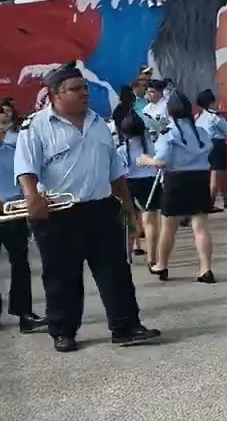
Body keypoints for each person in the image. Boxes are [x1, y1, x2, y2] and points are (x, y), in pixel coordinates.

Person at [14, 63, 160, 353]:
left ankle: (125, 326)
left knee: (115, 272)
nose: (84, 93)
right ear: (55, 94)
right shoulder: (36, 126)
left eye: (85, 88)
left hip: (102, 210)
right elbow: (26, 167)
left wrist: (130, 211)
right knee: (61, 276)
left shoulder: (100, 124)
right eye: (76, 89)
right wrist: (32, 197)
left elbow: (115, 171)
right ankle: (63, 331)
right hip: (58, 213)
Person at [135, 93, 216, 283]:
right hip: (200, 178)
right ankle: (206, 269)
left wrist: (145, 160)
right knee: (201, 226)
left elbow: (161, 161)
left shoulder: (169, 132)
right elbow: (210, 148)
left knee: (169, 227)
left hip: (176, 180)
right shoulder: (201, 131)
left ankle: (162, 264)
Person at [0, 106, 45, 333]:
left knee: (20, 262)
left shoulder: (12, 151)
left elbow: (23, 181)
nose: (1, 129)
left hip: (13, 213)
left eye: (3, 125)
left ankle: (24, 313)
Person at [113, 93, 162, 265]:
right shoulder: (150, 146)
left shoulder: (121, 150)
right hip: (149, 183)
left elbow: (120, 172)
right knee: (151, 222)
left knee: (130, 221)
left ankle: (128, 255)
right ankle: (152, 258)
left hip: (129, 184)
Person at [194, 90, 227, 211]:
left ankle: (225, 199)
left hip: (204, 145)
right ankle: (210, 203)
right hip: (217, 145)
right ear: (211, 102)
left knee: (219, 174)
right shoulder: (215, 117)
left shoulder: (198, 117)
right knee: (216, 174)